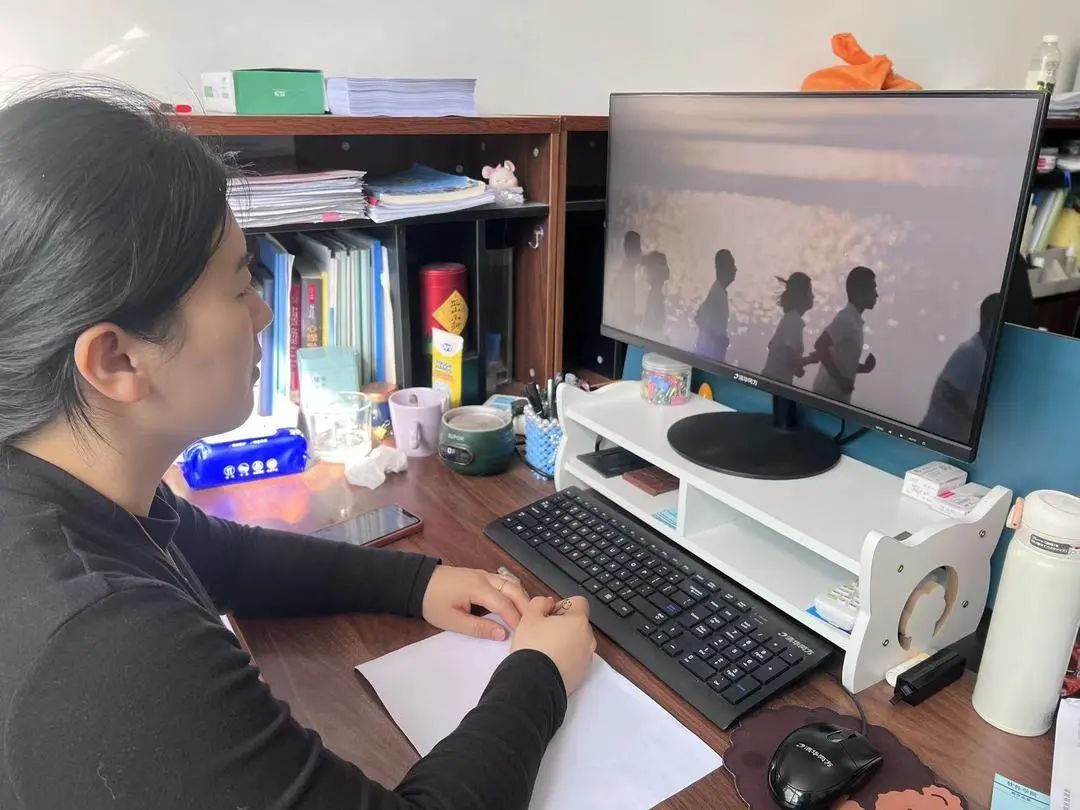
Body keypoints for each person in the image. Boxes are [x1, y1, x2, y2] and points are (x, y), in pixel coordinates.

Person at [0, 86, 596, 810]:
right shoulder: (107, 646)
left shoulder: (62, 484)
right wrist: (538, 675)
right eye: (239, 286)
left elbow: (227, 557)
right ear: (117, 360)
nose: (262, 312)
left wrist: (416, 584)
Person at [920, 294, 1001, 442]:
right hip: (934, 436)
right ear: (993, 322)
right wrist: (974, 415)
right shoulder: (970, 351)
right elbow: (946, 390)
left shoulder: (985, 353)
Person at [812, 266, 878, 402]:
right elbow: (820, 345)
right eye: (872, 288)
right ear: (858, 292)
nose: (876, 294)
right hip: (825, 398)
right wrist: (840, 380)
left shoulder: (854, 321)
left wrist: (864, 368)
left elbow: (843, 365)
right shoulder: (846, 318)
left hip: (834, 400)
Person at [762, 272, 818, 385]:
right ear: (802, 295)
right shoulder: (794, 322)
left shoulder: (789, 319)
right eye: (810, 292)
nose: (813, 296)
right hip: (774, 384)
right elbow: (792, 361)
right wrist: (812, 359)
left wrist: (797, 369)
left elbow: (783, 357)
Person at [694, 249, 737, 362]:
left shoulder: (719, 291)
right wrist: (719, 338)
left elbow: (699, 316)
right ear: (723, 269)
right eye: (732, 265)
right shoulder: (717, 294)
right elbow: (699, 318)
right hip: (709, 356)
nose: (735, 269)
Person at [641, 250, 670, 335]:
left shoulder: (655, 295)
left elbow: (651, 327)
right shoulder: (657, 294)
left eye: (648, 268)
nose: (645, 273)